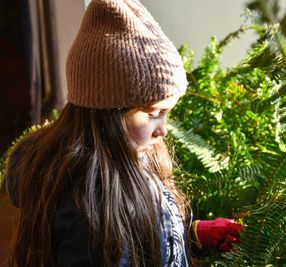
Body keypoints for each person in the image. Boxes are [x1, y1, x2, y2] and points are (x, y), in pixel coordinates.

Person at [2, 0, 243, 266]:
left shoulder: (131, 156)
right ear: (108, 114)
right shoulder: (88, 207)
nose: (163, 129)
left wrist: (192, 234)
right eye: (153, 113)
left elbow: (141, 240)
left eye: (167, 112)